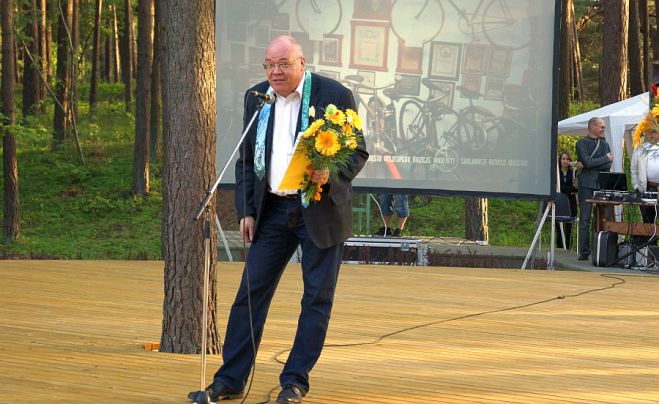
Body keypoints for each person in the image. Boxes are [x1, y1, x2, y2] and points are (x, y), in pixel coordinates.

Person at [198, 36, 368, 404]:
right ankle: (230, 379)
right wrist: (246, 209)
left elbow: (358, 151)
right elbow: (245, 159)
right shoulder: (257, 98)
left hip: (319, 210)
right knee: (249, 294)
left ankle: (294, 382)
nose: (275, 71)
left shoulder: (334, 95)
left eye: (283, 64)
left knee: (316, 299)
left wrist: (331, 174)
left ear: (302, 63)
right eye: (269, 64)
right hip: (272, 211)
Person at [575, 116, 613, 260]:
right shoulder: (581, 143)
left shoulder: (605, 144)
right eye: (601, 127)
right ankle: (584, 252)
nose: (604, 129)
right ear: (592, 127)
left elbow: (607, 166)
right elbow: (587, 162)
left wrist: (590, 163)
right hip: (586, 185)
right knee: (585, 219)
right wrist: (603, 159)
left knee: (600, 219)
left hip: (601, 184)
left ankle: (598, 250)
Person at [630, 129, 659, 226]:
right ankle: (651, 242)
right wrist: (636, 187)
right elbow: (634, 170)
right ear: (645, 133)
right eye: (650, 131)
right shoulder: (639, 149)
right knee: (648, 223)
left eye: (654, 132)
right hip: (646, 189)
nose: (652, 135)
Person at [556, 150, 579, 249]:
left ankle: (568, 248)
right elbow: (557, 188)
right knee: (558, 227)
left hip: (571, 204)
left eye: (567, 159)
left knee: (569, 227)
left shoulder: (573, 172)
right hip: (559, 203)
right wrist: (569, 190)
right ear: (560, 160)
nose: (565, 161)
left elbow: (576, 188)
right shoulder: (556, 173)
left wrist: (564, 189)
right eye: (563, 159)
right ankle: (559, 248)